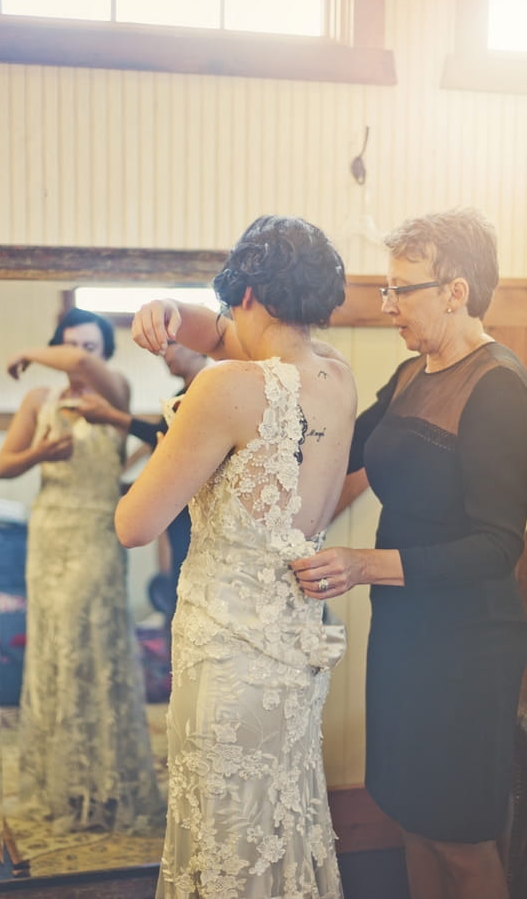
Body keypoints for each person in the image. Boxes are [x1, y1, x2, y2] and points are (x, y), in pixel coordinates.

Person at [290, 208, 527, 899]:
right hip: (405, 631)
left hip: (466, 645)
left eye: (402, 289)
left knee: (459, 836)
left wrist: (365, 565)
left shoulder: (499, 388)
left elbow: (495, 547)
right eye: (386, 288)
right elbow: (340, 447)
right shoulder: (409, 373)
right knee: (410, 814)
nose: (386, 305)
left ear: (455, 291)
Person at [118, 215, 357, 898]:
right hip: (290, 655)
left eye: (230, 302)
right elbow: (225, 336)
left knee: (223, 841)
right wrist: (169, 312)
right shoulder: (338, 376)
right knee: (278, 827)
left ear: (249, 292)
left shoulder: (225, 390)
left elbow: (134, 525)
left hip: (227, 659)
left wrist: (175, 436)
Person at [0, 307, 165, 834]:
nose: (79, 357)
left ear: (104, 355)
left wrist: (27, 353)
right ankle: (61, 782)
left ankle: (107, 780)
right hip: (49, 535)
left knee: (90, 643)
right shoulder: (39, 400)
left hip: (96, 534)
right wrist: (42, 450)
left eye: (90, 347)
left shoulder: (115, 396)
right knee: (52, 647)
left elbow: (74, 362)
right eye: (72, 345)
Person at [75, 342, 208, 622]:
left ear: (198, 347)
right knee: (177, 585)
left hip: (194, 512)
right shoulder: (182, 393)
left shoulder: (205, 390)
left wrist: (111, 416)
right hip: (177, 510)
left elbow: (163, 435)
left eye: (172, 345)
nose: (164, 353)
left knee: (186, 587)